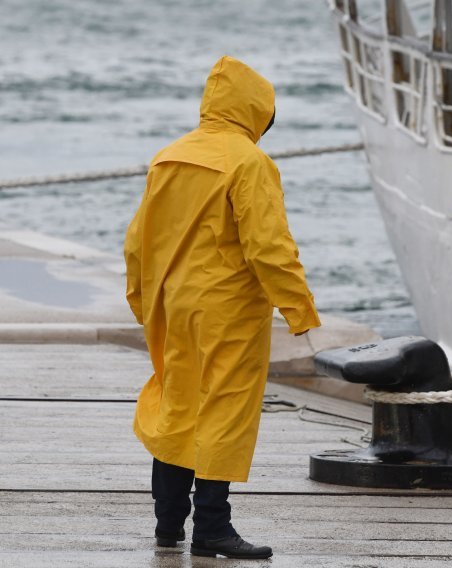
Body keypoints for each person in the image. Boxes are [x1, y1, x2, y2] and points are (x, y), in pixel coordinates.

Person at [124, 55, 321, 560]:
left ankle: (168, 524)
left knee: (177, 403)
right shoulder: (250, 163)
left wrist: (141, 298)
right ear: (256, 111)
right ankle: (213, 527)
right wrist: (300, 309)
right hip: (228, 309)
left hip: (174, 304)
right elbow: (269, 247)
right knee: (224, 410)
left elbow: (137, 241)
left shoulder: (168, 157)